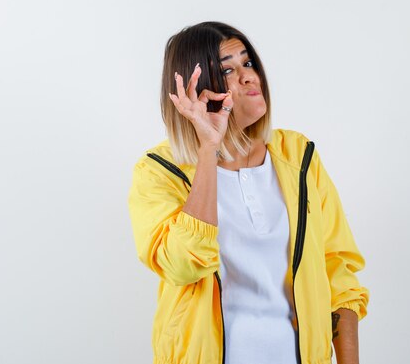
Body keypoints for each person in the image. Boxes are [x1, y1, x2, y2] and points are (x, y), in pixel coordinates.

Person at [127, 21, 369, 364]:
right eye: (227, 70)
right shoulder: (158, 171)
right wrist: (208, 148)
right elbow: (182, 265)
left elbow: (339, 274)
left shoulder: (298, 156)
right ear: (198, 90)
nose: (248, 77)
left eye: (248, 63)